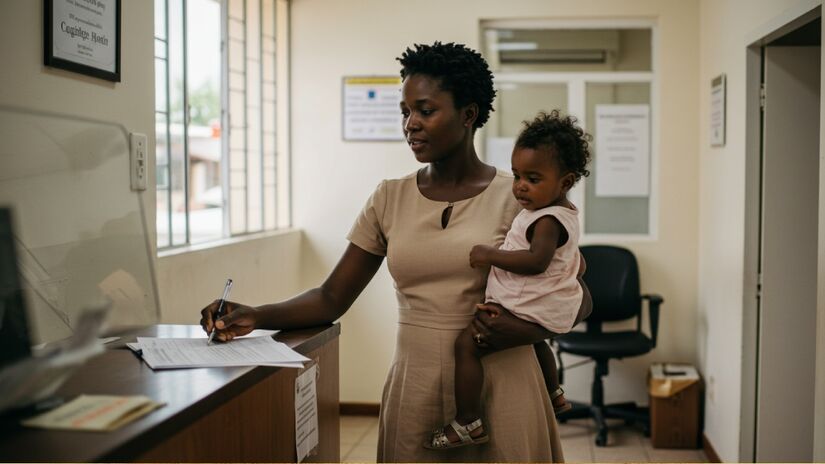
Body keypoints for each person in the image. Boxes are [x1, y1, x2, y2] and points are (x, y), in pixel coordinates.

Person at [199, 41, 592, 463]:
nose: (411, 124)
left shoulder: (519, 198)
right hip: (415, 386)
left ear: (468, 115)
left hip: (504, 387)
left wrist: (530, 331)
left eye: (425, 110)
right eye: (405, 112)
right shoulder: (389, 199)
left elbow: (580, 297)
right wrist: (255, 315)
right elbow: (332, 297)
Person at [426, 110, 591, 450]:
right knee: (536, 343)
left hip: (522, 307)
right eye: (517, 175)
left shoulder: (546, 220)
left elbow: (535, 261)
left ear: (565, 182)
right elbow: (578, 264)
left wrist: (489, 254)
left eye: (533, 178)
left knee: (466, 345)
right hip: (540, 309)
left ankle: (468, 421)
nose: (520, 186)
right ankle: (554, 392)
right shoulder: (561, 214)